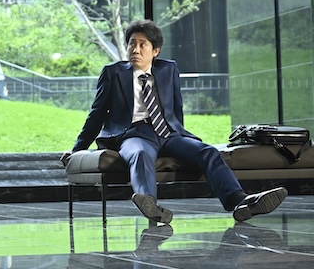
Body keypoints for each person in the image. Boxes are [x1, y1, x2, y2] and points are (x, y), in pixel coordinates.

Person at [60, 19, 287, 223]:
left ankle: (240, 201)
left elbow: (177, 109)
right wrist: (77, 150)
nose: (135, 49)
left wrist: (180, 134)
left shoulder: (168, 69)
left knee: (208, 152)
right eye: (132, 44)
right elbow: (97, 114)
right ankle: (149, 203)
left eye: (142, 44)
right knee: (140, 154)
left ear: (155, 50)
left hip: (168, 133)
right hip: (133, 134)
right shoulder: (113, 73)